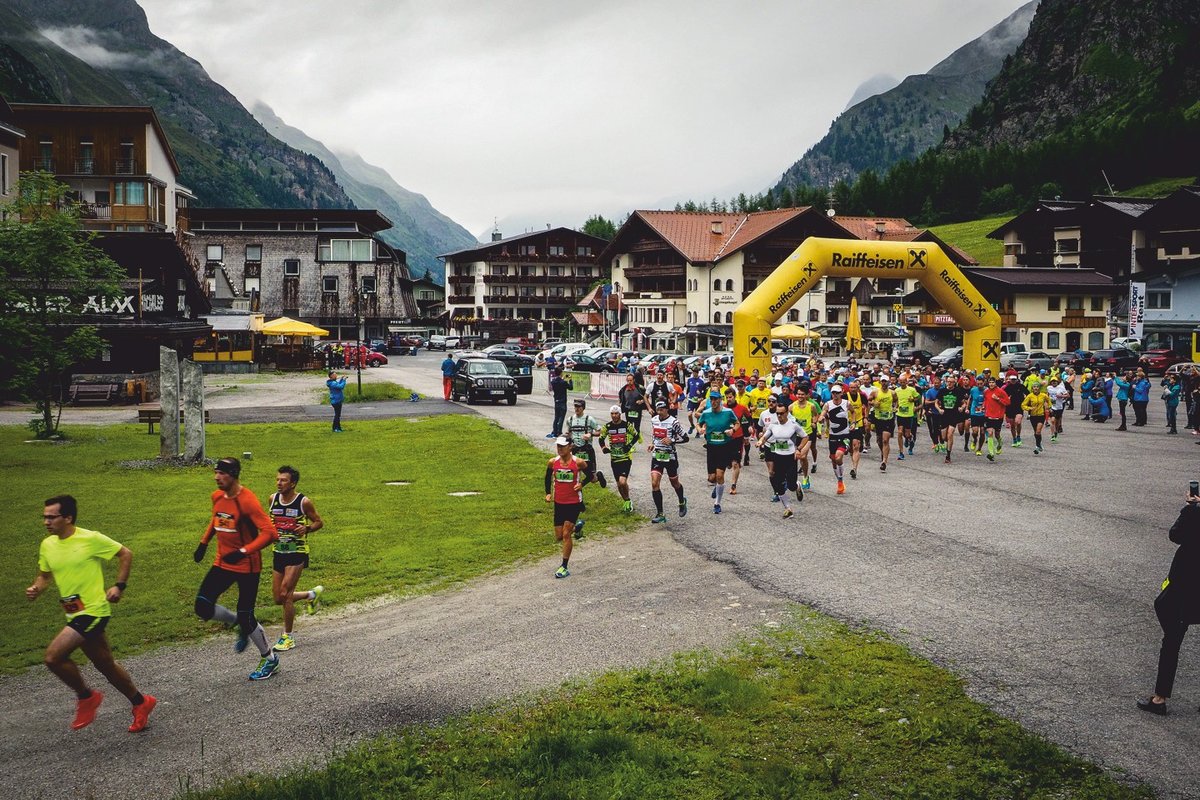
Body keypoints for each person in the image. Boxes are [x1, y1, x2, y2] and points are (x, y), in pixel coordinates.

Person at [27, 495, 156, 732]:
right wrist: (37, 588)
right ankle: (141, 702)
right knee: (105, 665)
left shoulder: (90, 538)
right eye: (44, 517)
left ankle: (86, 697)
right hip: (73, 612)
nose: (46, 522)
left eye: (51, 517)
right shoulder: (48, 545)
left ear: (68, 518)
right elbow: (45, 575)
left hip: (93, 611)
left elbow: (125, 554)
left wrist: (119, 585)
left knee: (53, 657)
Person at [192, 457, 282, 681]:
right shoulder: (217, 497)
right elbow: (216, 520)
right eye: (216, 472)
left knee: (247, 615)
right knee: (202, 606)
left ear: (233, 475)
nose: (216, 477)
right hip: (222, 562)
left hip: (247, 567)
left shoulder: (247, 501)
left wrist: (243, 551)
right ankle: (235, 622)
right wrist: (203, 543)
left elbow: (270, 534)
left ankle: (270, 659)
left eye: (222, 473)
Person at [1138, 491, 1200, 715]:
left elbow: (1176, 535)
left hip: (1186, 582)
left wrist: (1190, 509)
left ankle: (1159, 698)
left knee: (1172, 637)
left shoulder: (1195, 513)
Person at [268, 466, 325, 652]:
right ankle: (311, 595)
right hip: (279, 552)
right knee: (278, 598)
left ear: (293, 483)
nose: (279, 483)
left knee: (285, 593)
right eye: (277, 479)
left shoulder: (303, 502)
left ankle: (288, 637)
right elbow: (269, 522)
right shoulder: (272, 499)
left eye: (283, 480)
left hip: (296, 552)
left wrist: (307, 528)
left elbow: (319, 522)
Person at [544, 437, 584, 579]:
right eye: (558, 446)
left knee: (566, 534)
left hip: (574, 502)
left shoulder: (578, 462)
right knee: (559, 536)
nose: (560, 449)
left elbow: (591, 475)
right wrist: (548, 493)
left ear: (570, 447)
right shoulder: (552, 462)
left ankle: (564, 566)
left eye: (563, 446)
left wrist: (582, 484)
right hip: (559, 503)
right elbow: (547, 476)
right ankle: (577, 526)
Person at [758, 403, 806, 518]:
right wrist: (761, 441)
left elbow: (805, 437)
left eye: (782, 413)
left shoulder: (793, 425)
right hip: (778, 457)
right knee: (777, 484)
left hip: (790, 458)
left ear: (787, 413)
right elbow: (766, 436)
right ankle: (788, 508)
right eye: (777, 413)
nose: (779, 416)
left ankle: (797, 485)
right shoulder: (773, 426)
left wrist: (798, 449)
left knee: (791, 486)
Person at [696, 391, 740, 514]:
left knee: (720, 475)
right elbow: (698, 424)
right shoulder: (706, 413)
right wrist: (700, 429)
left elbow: (737, 423)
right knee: (711, 478)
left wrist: (732, 430)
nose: (714, 402)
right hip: (711, 447)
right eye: (712, 399)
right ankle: (716, 486)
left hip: (724, 446)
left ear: (721, 399)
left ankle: (717, 503)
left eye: (716, 399)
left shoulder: (728, 412)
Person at [646, 399, 689, 523]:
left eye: (662, 409)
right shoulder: (654, 420)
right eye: (658, 409)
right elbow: (655, 435)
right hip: (657, 455)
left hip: (670, 456)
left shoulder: (673, 422)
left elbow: (685, 438)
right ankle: (660, 514)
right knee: (654, 483)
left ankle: (681, 501)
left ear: (667, 409)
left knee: (674, 483)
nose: (659, 412)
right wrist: (652, 444)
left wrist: (672, 441)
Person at [598, 405, 639, 513]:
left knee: (622, 481)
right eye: (612, 413)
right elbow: (601, 438)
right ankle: (627, 501)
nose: (614, 416)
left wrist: (629, 446)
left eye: (616, 413)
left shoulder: (626, 425)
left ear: (620, 414)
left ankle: (628, 499)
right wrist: (603, 448)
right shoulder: (607, 426)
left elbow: (636, 435)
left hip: (625, 458)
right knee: (619, 485)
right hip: (614, 459)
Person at [566, 399, 607, 489]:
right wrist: (568, 442)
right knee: (576, 474)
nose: (576, 409)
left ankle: (598, 475)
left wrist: (590, 434)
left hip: (587, 451)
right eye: (575, 406)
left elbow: (600, 432)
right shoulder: (570, 420)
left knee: (592, 478)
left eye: (579, 407)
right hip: (575, 450)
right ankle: (576, 493)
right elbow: (568, 433)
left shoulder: (589, 419)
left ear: (583, 408)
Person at [818, 384, 851, 495]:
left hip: (844, 435)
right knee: (833, 459)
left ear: (841, 393)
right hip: (833, 436)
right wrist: (821, 417)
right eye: (833, 393)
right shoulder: (828, 404)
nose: (835, 395)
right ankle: (839, 481)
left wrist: (854, 422)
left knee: (838, 457)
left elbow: (853, 412)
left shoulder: (846, 403)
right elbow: (823, 412)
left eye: (837, 393)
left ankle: (841, 478)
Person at [894, 374, 921, 459]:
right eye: (900, 382)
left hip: (909, 414)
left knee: (907, 434)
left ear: (906, 382)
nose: (902, 384)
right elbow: (895, 400)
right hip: (900, 414)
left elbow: (918, 397)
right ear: (899, 382)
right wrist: (895, 406)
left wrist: (913, 400)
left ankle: (910, 438)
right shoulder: (897, 390)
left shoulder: (911, 390)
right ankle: (901, 452)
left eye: (904, 382)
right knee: (900, 432)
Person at [1022, 381, 1052, 454]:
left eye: (1037, 387)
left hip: (1041, 415)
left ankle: (1037, 446)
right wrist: (1029, 408)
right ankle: (1039, 444)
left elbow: (1049, 401)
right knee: (1036, 432)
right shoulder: (1030, 396)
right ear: (1032, 388)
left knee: (1038, 431)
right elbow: (1023, 405)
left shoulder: (1044, 395)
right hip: (1033, 416)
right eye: (1034, 387)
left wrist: (1049, 407)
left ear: (1039, 388)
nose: (1036, 388)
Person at [547, 369, 573, 439]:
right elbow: (571, 387)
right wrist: (570, 379)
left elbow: (559, 382)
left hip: (556, 401)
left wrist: (562, 378)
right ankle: (559, 432)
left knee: (556, 417)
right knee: (561, 418)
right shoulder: (563, 382)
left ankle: (555, 431)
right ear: (561, 373)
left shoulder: (553, 382)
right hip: (563, 401)